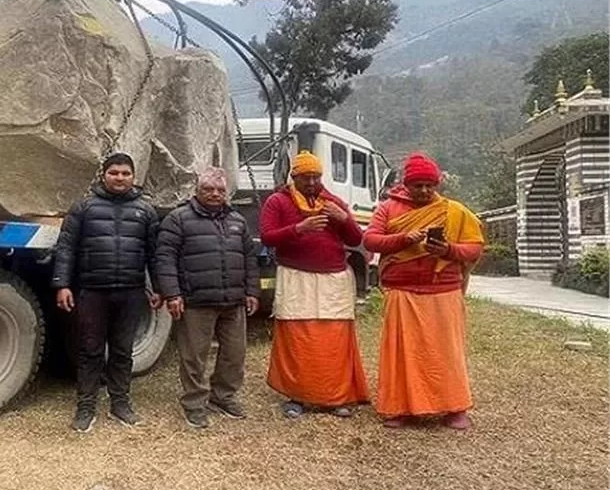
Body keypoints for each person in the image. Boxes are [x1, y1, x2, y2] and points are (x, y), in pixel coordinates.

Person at [363, 152, 484, 430]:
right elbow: (370, 240)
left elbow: (474, 247)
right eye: (418, 185)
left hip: (443, 291)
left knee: (447, 352)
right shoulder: (387, 208)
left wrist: (449, 250)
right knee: (402, 353)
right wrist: (404, 239)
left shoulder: (454, 211)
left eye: (430, 185)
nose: (425, 191)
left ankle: (454, 407)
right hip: (402, 291)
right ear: (406, 185)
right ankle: (400, 408)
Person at [52, 152, 161, 433]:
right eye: (114, 173)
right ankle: (86, 407)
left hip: (131, 292)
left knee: (123, 351)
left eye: (125, 173)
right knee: (90, 351)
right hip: (92, 291)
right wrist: (62, 284)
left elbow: (154, 255)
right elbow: (66, 248)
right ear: (104, 175)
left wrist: (159, 289)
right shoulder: (83, 208)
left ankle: (120, 404)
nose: (120, 178)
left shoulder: (146, 211)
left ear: (133, 177)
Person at [259, 152, 370, 419]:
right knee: (298, 338)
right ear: (294, 177)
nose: (311, 183)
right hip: (296, 277)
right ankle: (297, 396)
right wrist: (300, 228)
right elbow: (267, 237)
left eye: (316, 177)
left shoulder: (333, 202)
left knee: (334, 339)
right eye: (305, 178)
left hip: (333, 280)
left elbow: (357, 239)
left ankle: (335, 396)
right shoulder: (278, 201)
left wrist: (344, 219)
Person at [155, 167, 260, 429]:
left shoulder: (237, 221)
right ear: (197, 190)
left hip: (233, 301)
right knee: (194, 357)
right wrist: (172, 294)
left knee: (235, 354)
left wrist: (252, 291)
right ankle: (194, 403)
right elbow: (165, 258)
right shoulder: (178, 219)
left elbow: (249, 258)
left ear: (227, 193)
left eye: (220, 190)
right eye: (208, 189)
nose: (214, 194)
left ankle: (222, 397)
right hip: (196, 301)